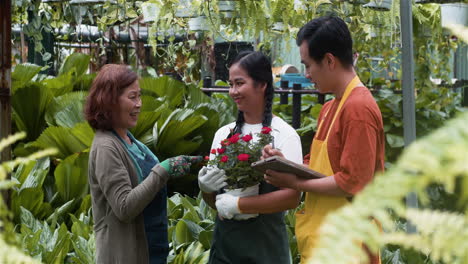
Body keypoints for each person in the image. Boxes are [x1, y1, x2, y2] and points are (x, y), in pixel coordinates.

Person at [263, 16, 384, 264]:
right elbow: (319, 169)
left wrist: (295, 183)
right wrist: (285, 164)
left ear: (329, 60)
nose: (306, 74)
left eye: (308, 65)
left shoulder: (358, 108)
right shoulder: (331, 107)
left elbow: (353, 182)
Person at [84, 64, 202, 264]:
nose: (139, 104)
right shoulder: (106, 147)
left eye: (139, 96)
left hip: (152, 250)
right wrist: (163, 170)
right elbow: (124, 208)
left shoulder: (129, 139)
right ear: (109, 102)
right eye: (132, 97)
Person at [197, 51, 303, 263]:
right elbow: (217, 203)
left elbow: (292, 197)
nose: (233, 91)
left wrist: (240, 205)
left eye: (239, 83)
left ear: (262, 84)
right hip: (225, 251)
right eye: (231, 84)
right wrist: (206, 189)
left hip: (267, 251)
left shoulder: (284, 135)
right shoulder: (224, 135)